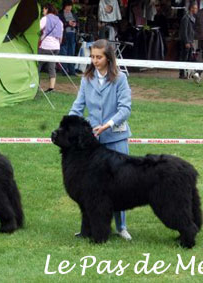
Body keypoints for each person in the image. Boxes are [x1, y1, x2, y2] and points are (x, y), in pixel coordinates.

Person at [68, 39, 132, 241]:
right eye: (92, 56)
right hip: (93, 143)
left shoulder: (120, 79)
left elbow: (125, 109)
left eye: (99, 57)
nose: (94, 61)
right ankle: (89, 227)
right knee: (91, 188)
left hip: (116, 137)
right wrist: (68, 126)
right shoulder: (86, 79)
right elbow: (78, 106)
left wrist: (109, 124)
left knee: (120, 184)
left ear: (108, 58)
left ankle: (121, 227)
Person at [39, 3, 63, 93]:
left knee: (37, 65)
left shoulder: (45, 19)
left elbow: (38, 28)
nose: (43, 11)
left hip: (46, 45)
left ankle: (35, 85)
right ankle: (51, 88)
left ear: (47, 9)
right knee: (52, 67)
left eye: (43, 9)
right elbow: (61, 37)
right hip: (56, 46)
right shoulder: (59, 21)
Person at [178, 1, 198, 80]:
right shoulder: (186, 18)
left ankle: (187, 73)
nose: (196, 10)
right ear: (191, 8)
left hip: (190, 41)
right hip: (186, 41)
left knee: (188, 57)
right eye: (195, 8)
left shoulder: (192, 17)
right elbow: (184, 31)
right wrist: (186, 42)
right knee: (184, 57)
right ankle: (182, 73)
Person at [59, 1, 78, 76]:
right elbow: (59, 24)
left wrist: (75, 24)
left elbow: (77, 23)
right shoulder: (61, 15)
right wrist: (67, 23)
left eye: (70, 6)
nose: (69, 8)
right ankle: (64, 71)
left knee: (72, 52)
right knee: (64, 52)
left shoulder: (73, 14)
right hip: (64, 35)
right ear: (65, 6)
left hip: (72, 34)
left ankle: (72, 71)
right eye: (68, 6)